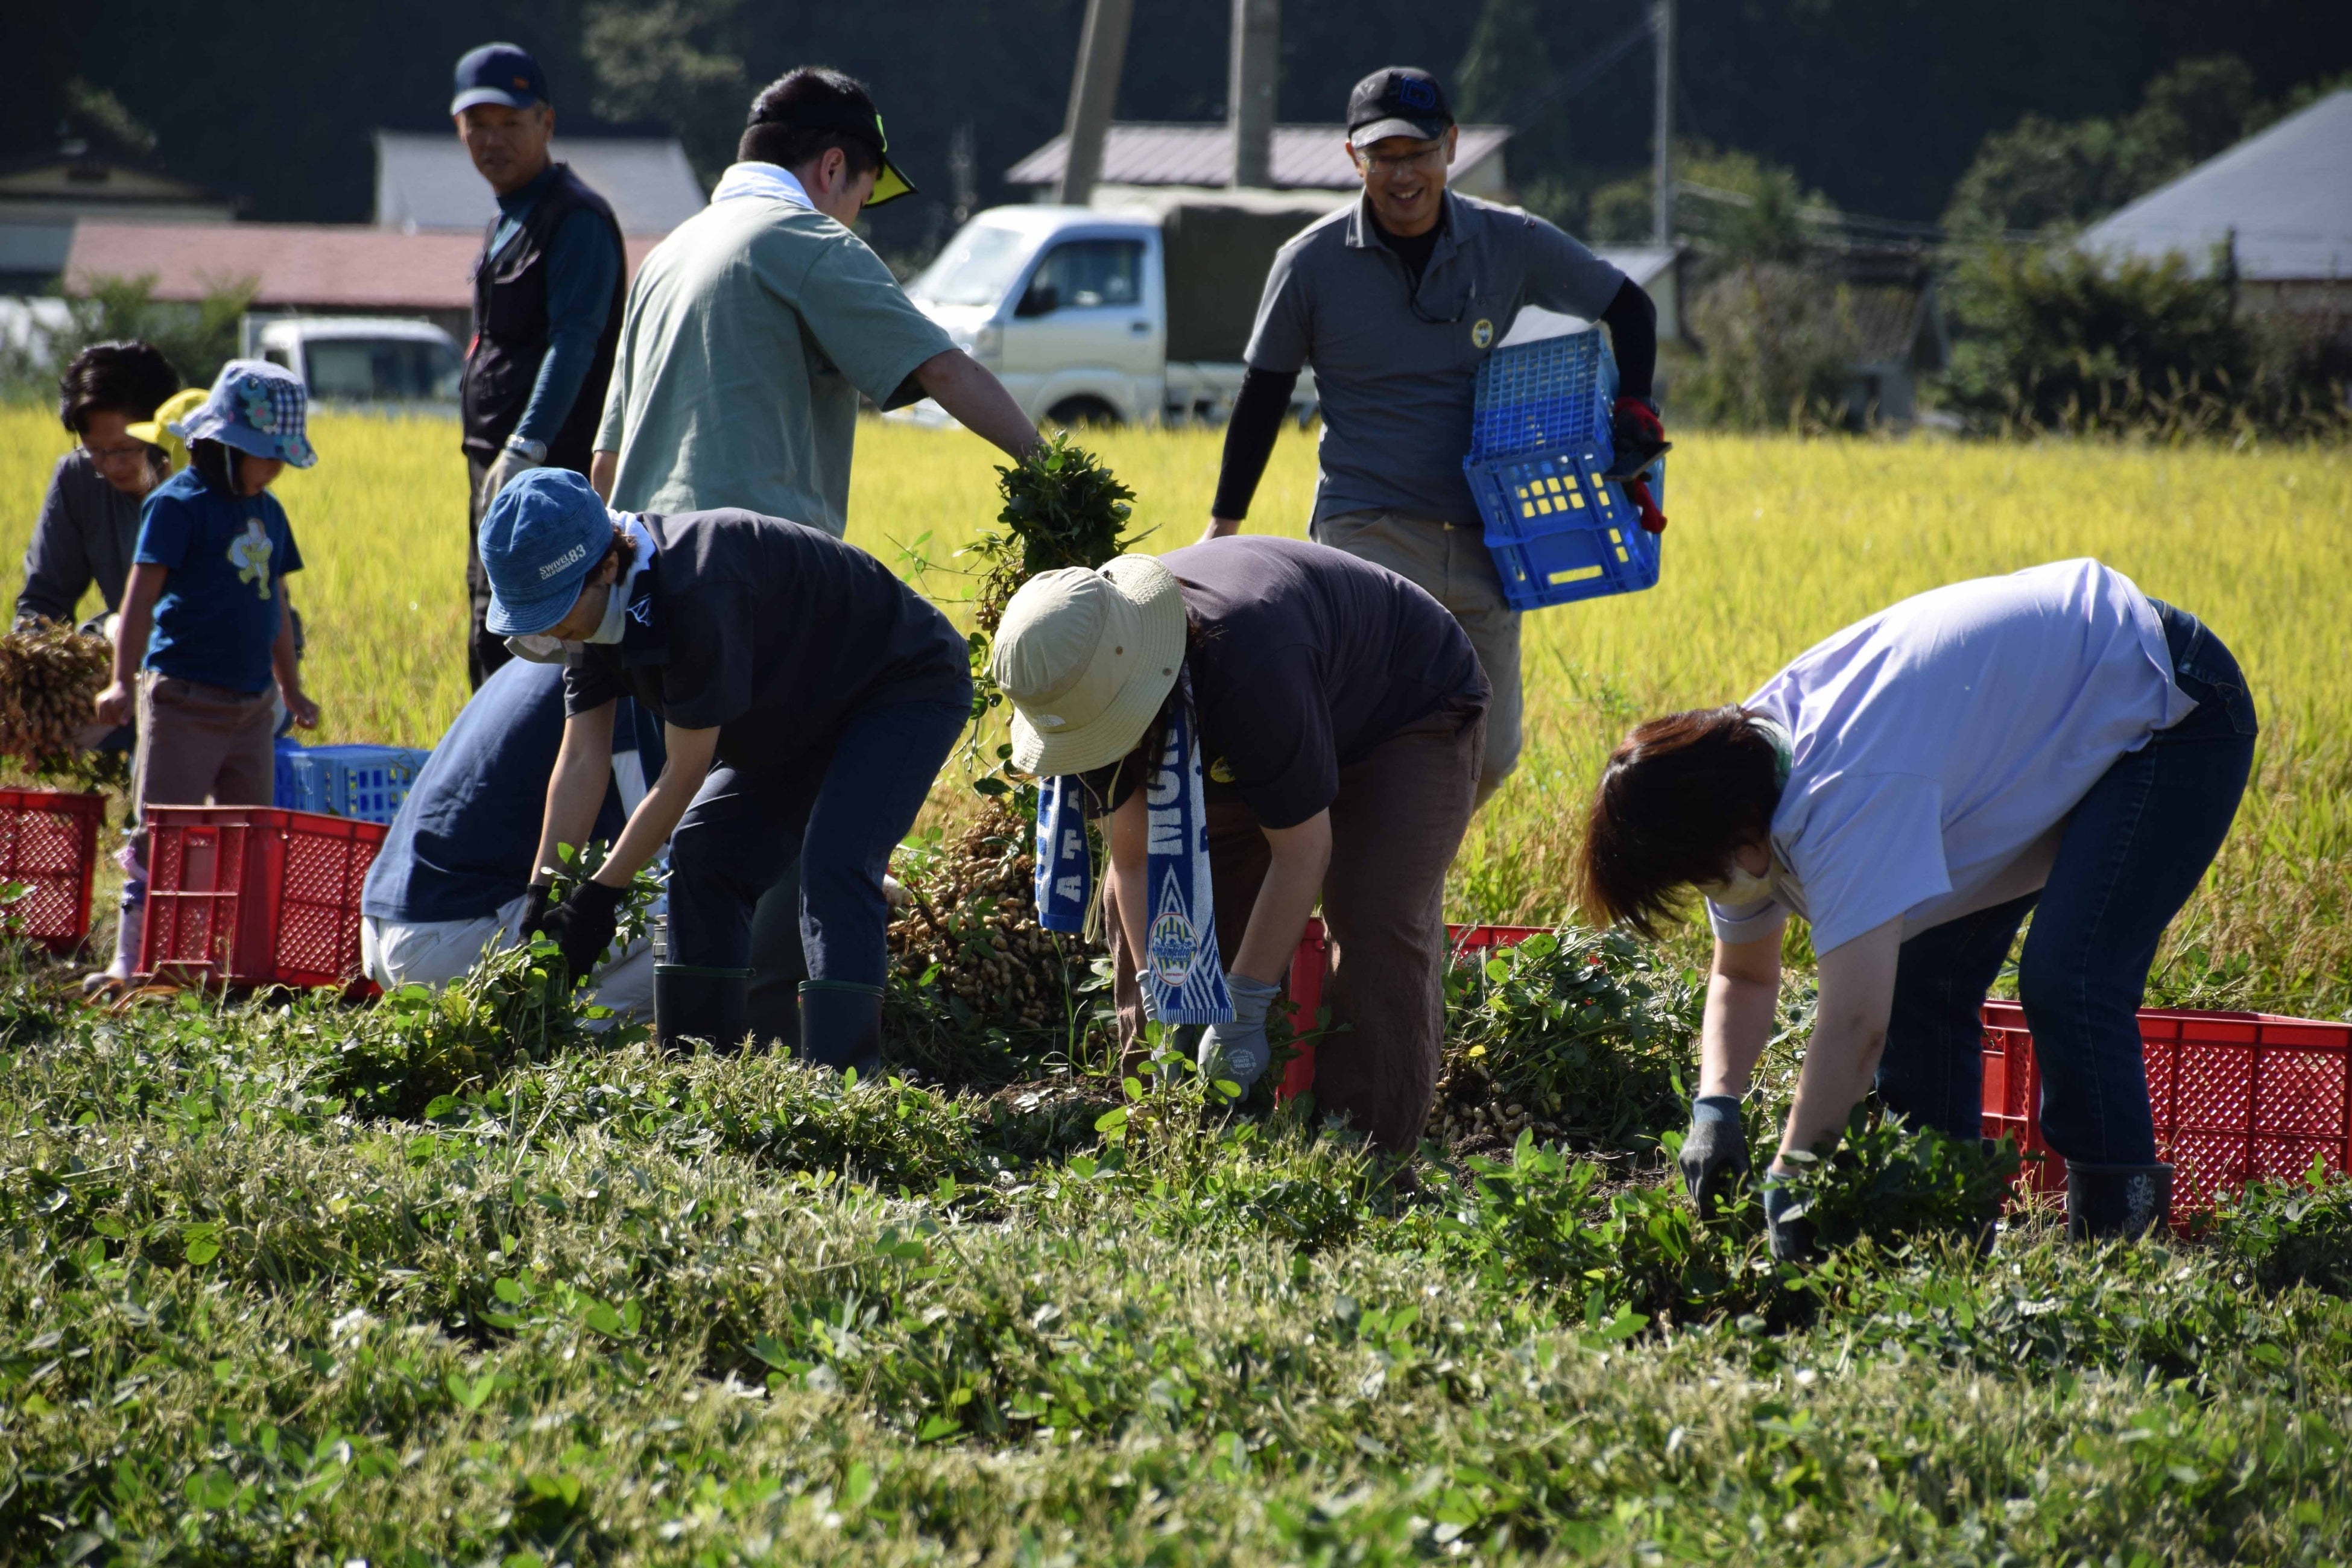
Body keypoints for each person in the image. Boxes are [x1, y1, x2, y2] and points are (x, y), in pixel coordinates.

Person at [1576, 560, 2257, 1252]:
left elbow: (1854, 1025)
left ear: (1735, 835)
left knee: (2069, 976)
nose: (1709, 889)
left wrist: (1793, 1175)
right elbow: (1743, 974)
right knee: (1922, 976)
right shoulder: (1735, 780)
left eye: (1698, 874)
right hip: (2044, 724)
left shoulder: (1842, 798)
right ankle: (1943, 1235)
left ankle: (2121, 1243)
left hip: (2169, 699)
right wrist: (1715, 1104)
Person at [1203, 66, 1666, 807]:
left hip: (1489, 538)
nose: (1402, 173)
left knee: (1490, 752)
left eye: (1418, 151)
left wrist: (1634, 410)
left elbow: (1631, 307)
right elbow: (1262, 396)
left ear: (1451, 147)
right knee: (1368, 737)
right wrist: (1224, 526)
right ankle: (1357, 898)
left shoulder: (1505, 241)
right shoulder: (1311, 263)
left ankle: (1397, 894)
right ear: (1355, 159)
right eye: (1383, 156)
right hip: (1368, 529)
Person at [991, 536, 1490, 1153]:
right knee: (1203, 907)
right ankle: (1192, 1140)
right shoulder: (1077, 687)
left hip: (1405, 708)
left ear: (1136, 686)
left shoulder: (1249, 663)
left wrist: (1245, 1007)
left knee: (1372, 913)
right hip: (1261, 705)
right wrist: (1162, 995)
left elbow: (1303, 851)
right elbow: (1135, 856)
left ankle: (1365, 1165)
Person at [475, 469, 969, 1070]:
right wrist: (543, 896)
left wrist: (601, 895)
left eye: (555, 609)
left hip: (901, 684)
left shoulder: (698, 589)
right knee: (705, 849)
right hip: (798, 712)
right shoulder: (592, 613)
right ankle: (698, 1071)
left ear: (607, 565)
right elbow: (581, 758)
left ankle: (845, 1092)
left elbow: (684, 773)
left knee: (835, 861)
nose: (551, 628)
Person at [589, 66, 1040, 527]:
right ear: (832, 167)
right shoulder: (808, 238)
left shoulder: (665, 258)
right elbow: (942, 368)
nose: (852, 221)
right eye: (861, 202)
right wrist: (1053, 473)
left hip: (641, 565)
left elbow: (607, 458)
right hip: (747, 559)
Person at [90, 362, 324, 987]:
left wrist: (291, 687)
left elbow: (275, 603)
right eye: (264, 456)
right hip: (184, 701)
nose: (274, 469)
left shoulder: (269, 514)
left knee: (248, 835)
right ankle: (135, 955)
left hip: (252, 706)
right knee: (164, 830)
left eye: (278, 459)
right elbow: (138, 599)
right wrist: (120, 679)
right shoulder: (176, 505)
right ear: (223, 446)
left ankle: (227, 959)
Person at [452, 41, 627, 689]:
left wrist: (526, 445)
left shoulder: (573, 218)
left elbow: (575, 341)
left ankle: (543, 785)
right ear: (458, 129)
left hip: (542, 479)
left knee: (538, 638)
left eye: (510, 124)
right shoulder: (508, 217)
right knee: (491, 619)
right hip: (498, 469)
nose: (492, 141)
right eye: (479, 126)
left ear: (546, 123)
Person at [359, 659, 668, 1017]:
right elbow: (663, 844)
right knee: (696, 910)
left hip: (385, 934)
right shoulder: (623, 672)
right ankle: (560, 1034)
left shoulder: (537, 660)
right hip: (448, 938)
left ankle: (540, 1023)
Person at [17, 342, 182, 627]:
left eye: (124, 449)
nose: (109, 466)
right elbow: (45, 602)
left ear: (163, 436)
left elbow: (263, 604)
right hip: (125, 647)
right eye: (94, 449)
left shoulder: (211, 481)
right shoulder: (78, 477)